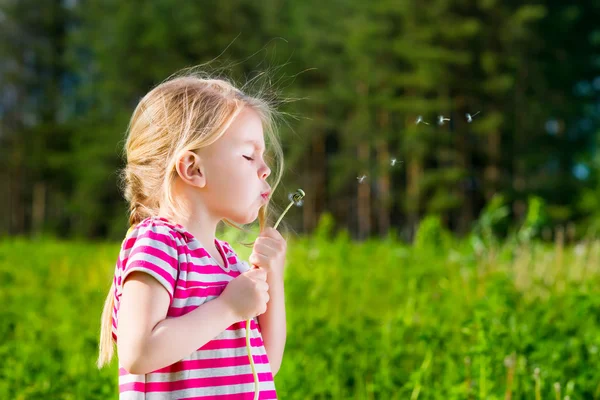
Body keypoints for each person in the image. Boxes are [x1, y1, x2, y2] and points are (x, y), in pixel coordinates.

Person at [97, 72, 289, 399]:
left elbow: (263, 365)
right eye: (248, 155)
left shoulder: (228, 262)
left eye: (263, 157)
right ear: (193, 169)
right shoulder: (158, 243)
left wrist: (274, 278)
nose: (265, 169)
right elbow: (138, 352)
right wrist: (228, 307)